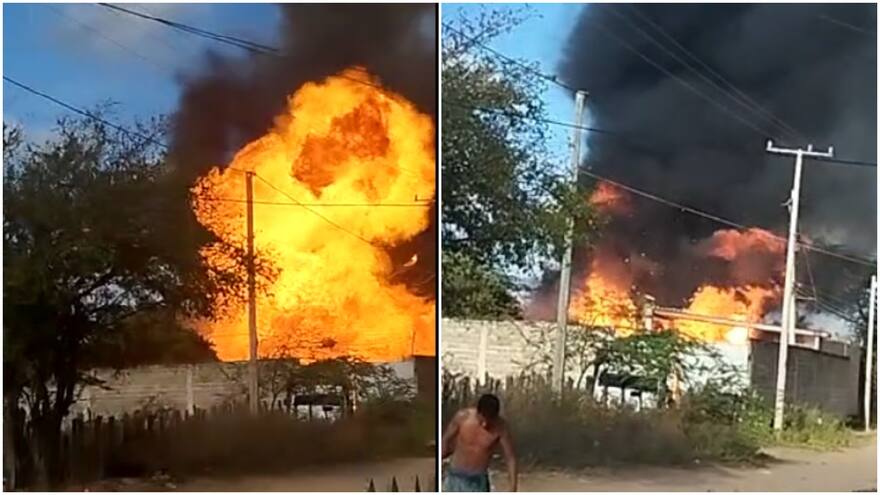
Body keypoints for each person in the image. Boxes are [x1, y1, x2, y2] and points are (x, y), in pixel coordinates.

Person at [442, 393, 517, 492]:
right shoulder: (462, 417)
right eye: (482, 420)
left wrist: (513, 487)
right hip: (455, 477)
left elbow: (510, 458)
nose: (485, 424)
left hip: (478, 481)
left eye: (490, 421)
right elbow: (445, 439)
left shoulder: (501, 428)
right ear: (478, 412)